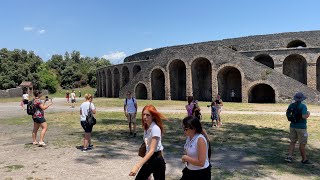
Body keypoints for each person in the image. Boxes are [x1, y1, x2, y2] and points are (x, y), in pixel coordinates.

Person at [129, 105, 166, 179]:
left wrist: (137, 166)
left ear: (153, 116)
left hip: (157, 160)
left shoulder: (155, 129)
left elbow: (152, 150)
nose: (144, 117)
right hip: (149, 158)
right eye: (143, 114)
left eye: (148, 115)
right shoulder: (147, 127)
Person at [285, 92, 311, 164]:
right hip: (301, 127)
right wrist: (308, 114)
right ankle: (304, 159)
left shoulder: (291, 105)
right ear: (302, 99)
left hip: (292, 126)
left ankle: (289, 156)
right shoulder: (303, 106)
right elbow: (303, 116)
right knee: (302, 143)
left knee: (292, 142)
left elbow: (288, 113)